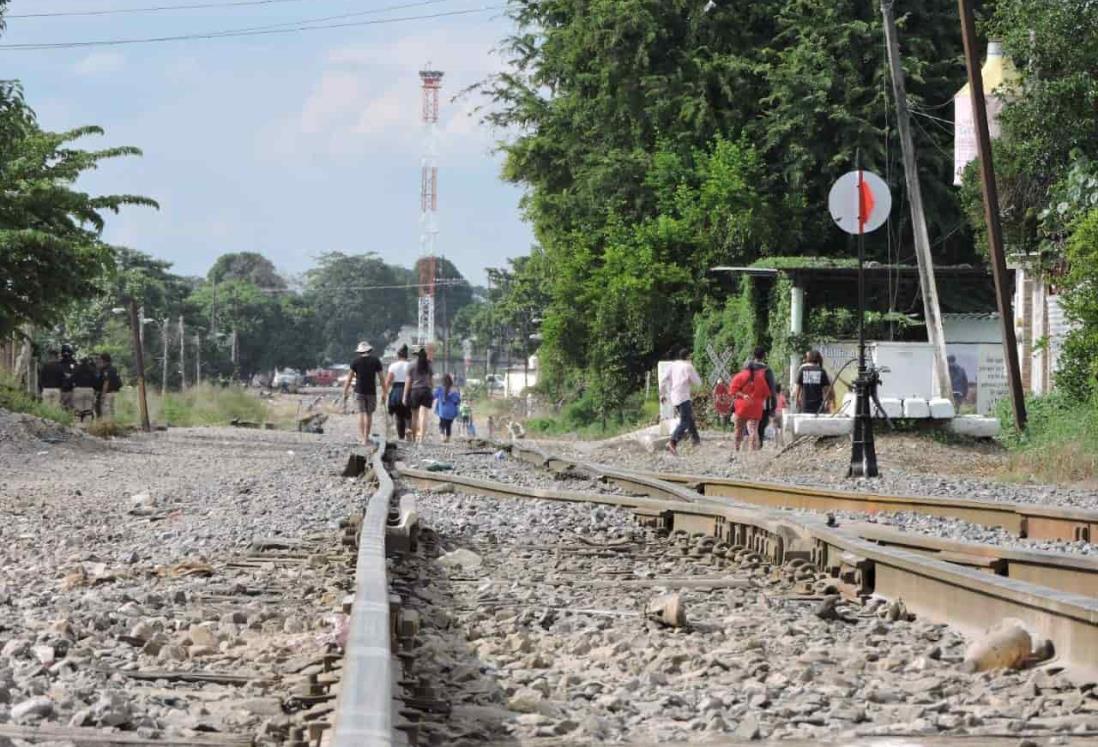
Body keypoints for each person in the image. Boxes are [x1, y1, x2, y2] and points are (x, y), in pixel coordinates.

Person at [659, 348, 702, 456]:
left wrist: (662, 394)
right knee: (685, 421)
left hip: (674, 397)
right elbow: (698, 382)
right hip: (684, 397)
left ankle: (696, 441)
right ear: (688, 356)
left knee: (689, 418)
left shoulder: (673, 365)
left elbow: (663, 380)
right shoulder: (688, 366)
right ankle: (673, 442)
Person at [343, 341, 383, 446]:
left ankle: (362, 439)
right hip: (371, 391)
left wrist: (345, 391)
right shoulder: (376, 361)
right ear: (369, 350)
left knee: (361, 413)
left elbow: (349, 378)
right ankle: (366, 437)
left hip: (359, 391)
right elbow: (381, 378)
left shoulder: (355, 362)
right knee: (369, 414)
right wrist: (385, 391)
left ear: (359, 352)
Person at [729, 358, 771, 451]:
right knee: (753, 430)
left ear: (744, 367)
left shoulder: (738, 376)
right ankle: (752, 452)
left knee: (738, 429)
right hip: (756, 408)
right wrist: (758, 400)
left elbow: (732, 391)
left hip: (741, 408)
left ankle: (736, 449)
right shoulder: (760, 378)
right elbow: (767, 394)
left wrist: (743, 395)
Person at [403, 346, 434, 444]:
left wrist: (405, 396)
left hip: (415, 391)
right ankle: (422, 439)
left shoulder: (411, 365)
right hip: (426, 390)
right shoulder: (428, 364)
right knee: (424, 415)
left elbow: (408, 381)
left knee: (414, 415)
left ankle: (413, 437)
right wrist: (431, 391)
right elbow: (431, 381)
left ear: (414, 354)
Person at [748, 347, 779, 442]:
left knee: (750, 426)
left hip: (749, 401)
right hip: (764, 403)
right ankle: (758, 445)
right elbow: (772, 389)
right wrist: (773, 406)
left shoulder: (747, 368)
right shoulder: (767, 370)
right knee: (761, 426)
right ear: (764, 356)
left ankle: (749, 446)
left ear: (754, 355)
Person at [384, 345, 412, 441]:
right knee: (408, 413)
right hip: (408, 390)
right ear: (406, 355)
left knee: (399, 415)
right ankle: (408, 428)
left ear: (398, 355)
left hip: (396, 390)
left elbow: (388, 381)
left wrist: (385, 393)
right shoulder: (410, 365)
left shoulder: (393, 366)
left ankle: (401, 437)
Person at [793, 350, 834, 415]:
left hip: (805, 405)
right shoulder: (822, 371)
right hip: (818, 406)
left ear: (808, 359)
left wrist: (797, 400)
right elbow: (826, 390)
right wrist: (828, 401)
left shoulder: (803, 370)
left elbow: (798, 387)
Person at [433, 373, 461, 443]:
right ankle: (448, 438)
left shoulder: (440, 389)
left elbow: (433, 396)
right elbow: (457, 401)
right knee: (448, 425)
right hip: (451, 412)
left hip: (443, 411)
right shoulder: (455, 389)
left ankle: (442, 437)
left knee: (442, 424)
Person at [71, 357, 100, 422]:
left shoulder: (76, 369)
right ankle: (87, 427)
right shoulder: (92, 369)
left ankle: (78, 427)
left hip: (78, 389)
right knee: (88, 410)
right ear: (88, 362)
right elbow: (96, 382)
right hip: (89, 390)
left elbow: (72, 380)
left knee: (78, 411)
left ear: (81, 362)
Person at [96, 353, 122, 421]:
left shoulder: (106, 370)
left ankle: (108, 427)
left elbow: (106, 382)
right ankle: (112, 425)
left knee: (106, 412)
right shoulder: (113, 368)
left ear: (104, 360)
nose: (99, 361)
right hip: (114, 392)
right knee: (111, 411)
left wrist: (103, 395)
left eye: (100, 359)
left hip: (108, 393)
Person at [58, 344, 77, 411]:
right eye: (64, 352)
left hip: (71, 389)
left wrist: (70, 376)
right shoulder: (59, 363)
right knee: (62, 407)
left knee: (71, 408)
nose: (66, 353)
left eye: (67, 352)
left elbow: (76, 374)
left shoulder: (74, 362)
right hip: (61, 389)